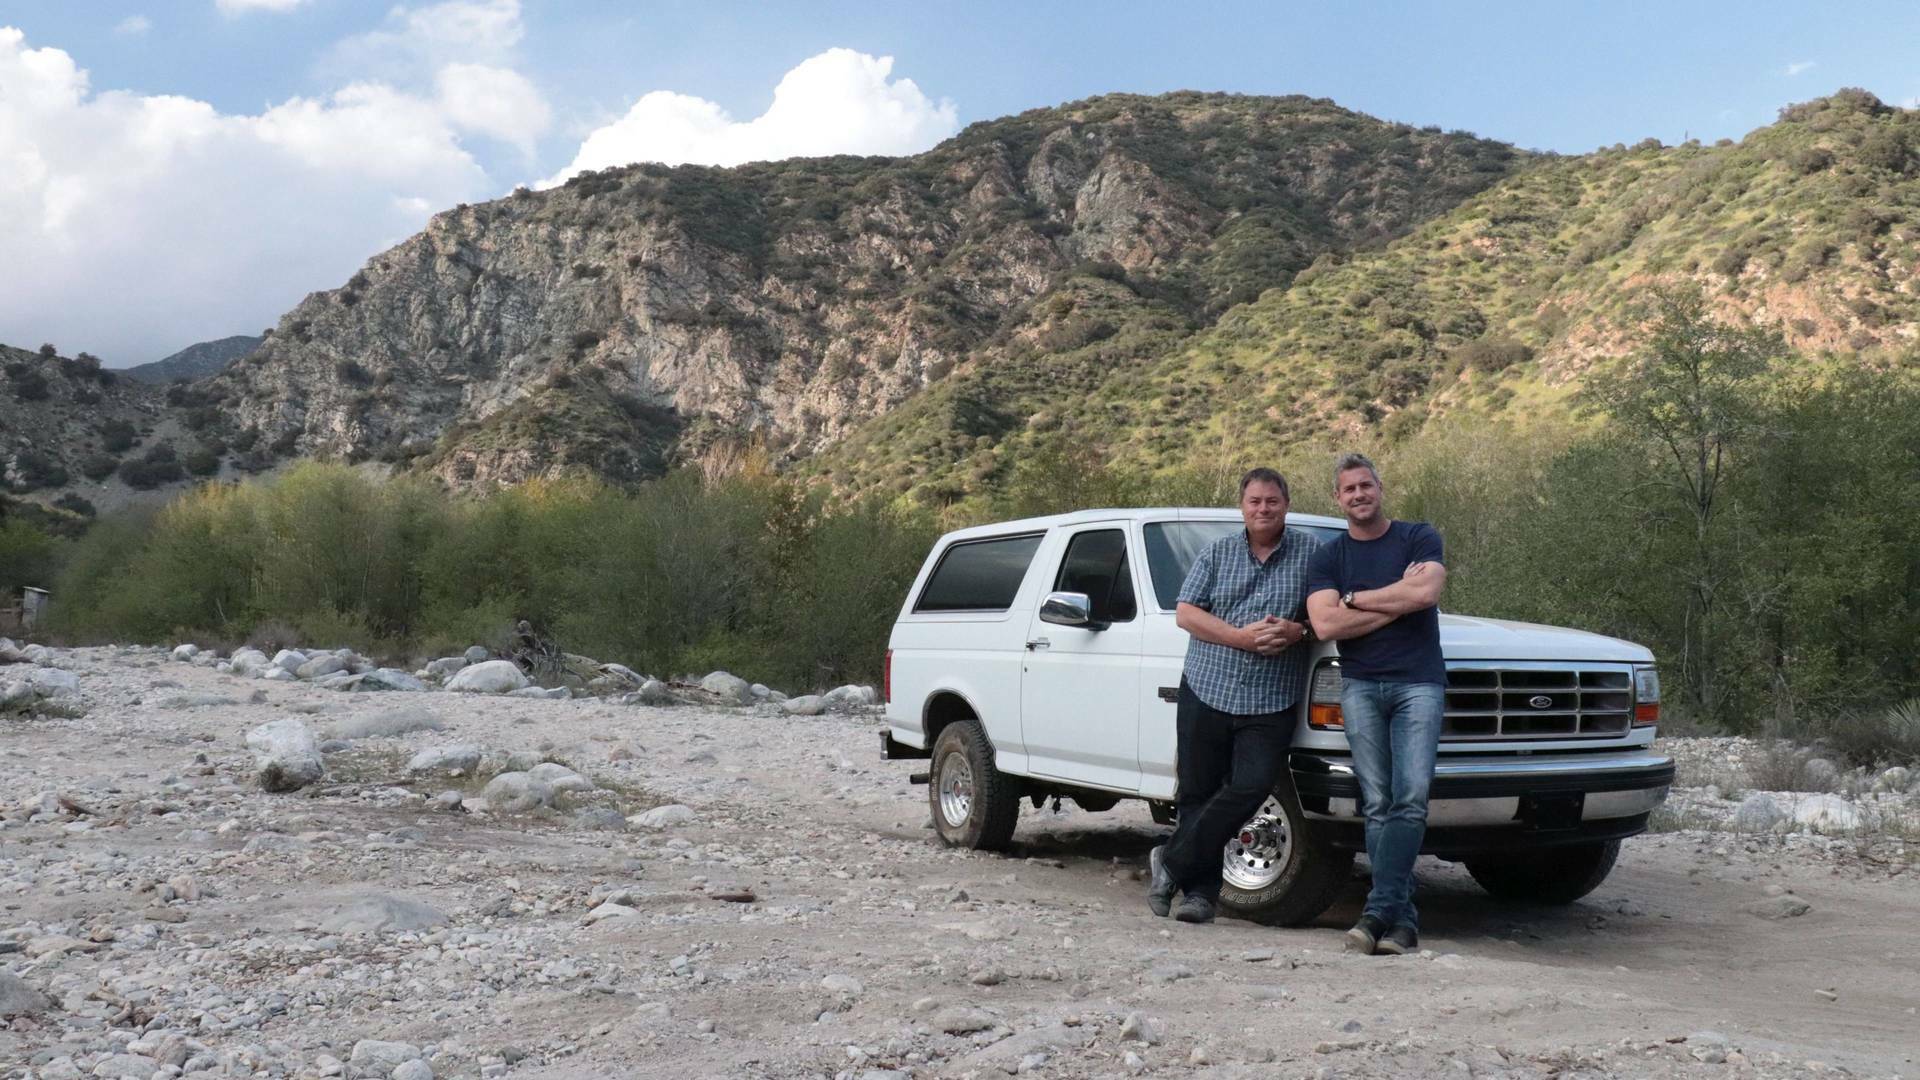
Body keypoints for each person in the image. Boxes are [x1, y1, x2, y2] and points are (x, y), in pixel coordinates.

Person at [1149, 467, 1316, 924]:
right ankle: (1200, 896)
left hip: (1271, 695)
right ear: (1242, 506)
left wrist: (1299, 630)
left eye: (1272, 501)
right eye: (1254, 501)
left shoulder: (1312, 555)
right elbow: (1186, 613)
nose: (1263, 509)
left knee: (1252, 786)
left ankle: (1170, 859)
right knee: (1197, 792)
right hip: (1207, 684)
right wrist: (1240, 638)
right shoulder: (1217, 552)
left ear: (1286, 504)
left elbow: (1327, 613)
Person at [1305, 453, 1447, 955]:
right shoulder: (1329, 557)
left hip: (1418, 684)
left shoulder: (1418, 536)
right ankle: (1401, 921)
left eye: (1366, 485)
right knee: (1377, 803)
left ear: (1380, 488)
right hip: (1360, 685)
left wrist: (1354, 599)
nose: (1359, 494)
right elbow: (1325, 625)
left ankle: (1377, 912)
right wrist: (1397, 598)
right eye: (1349, 489)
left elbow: (1426, 592)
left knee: (1410, 798)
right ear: (1337, 498)